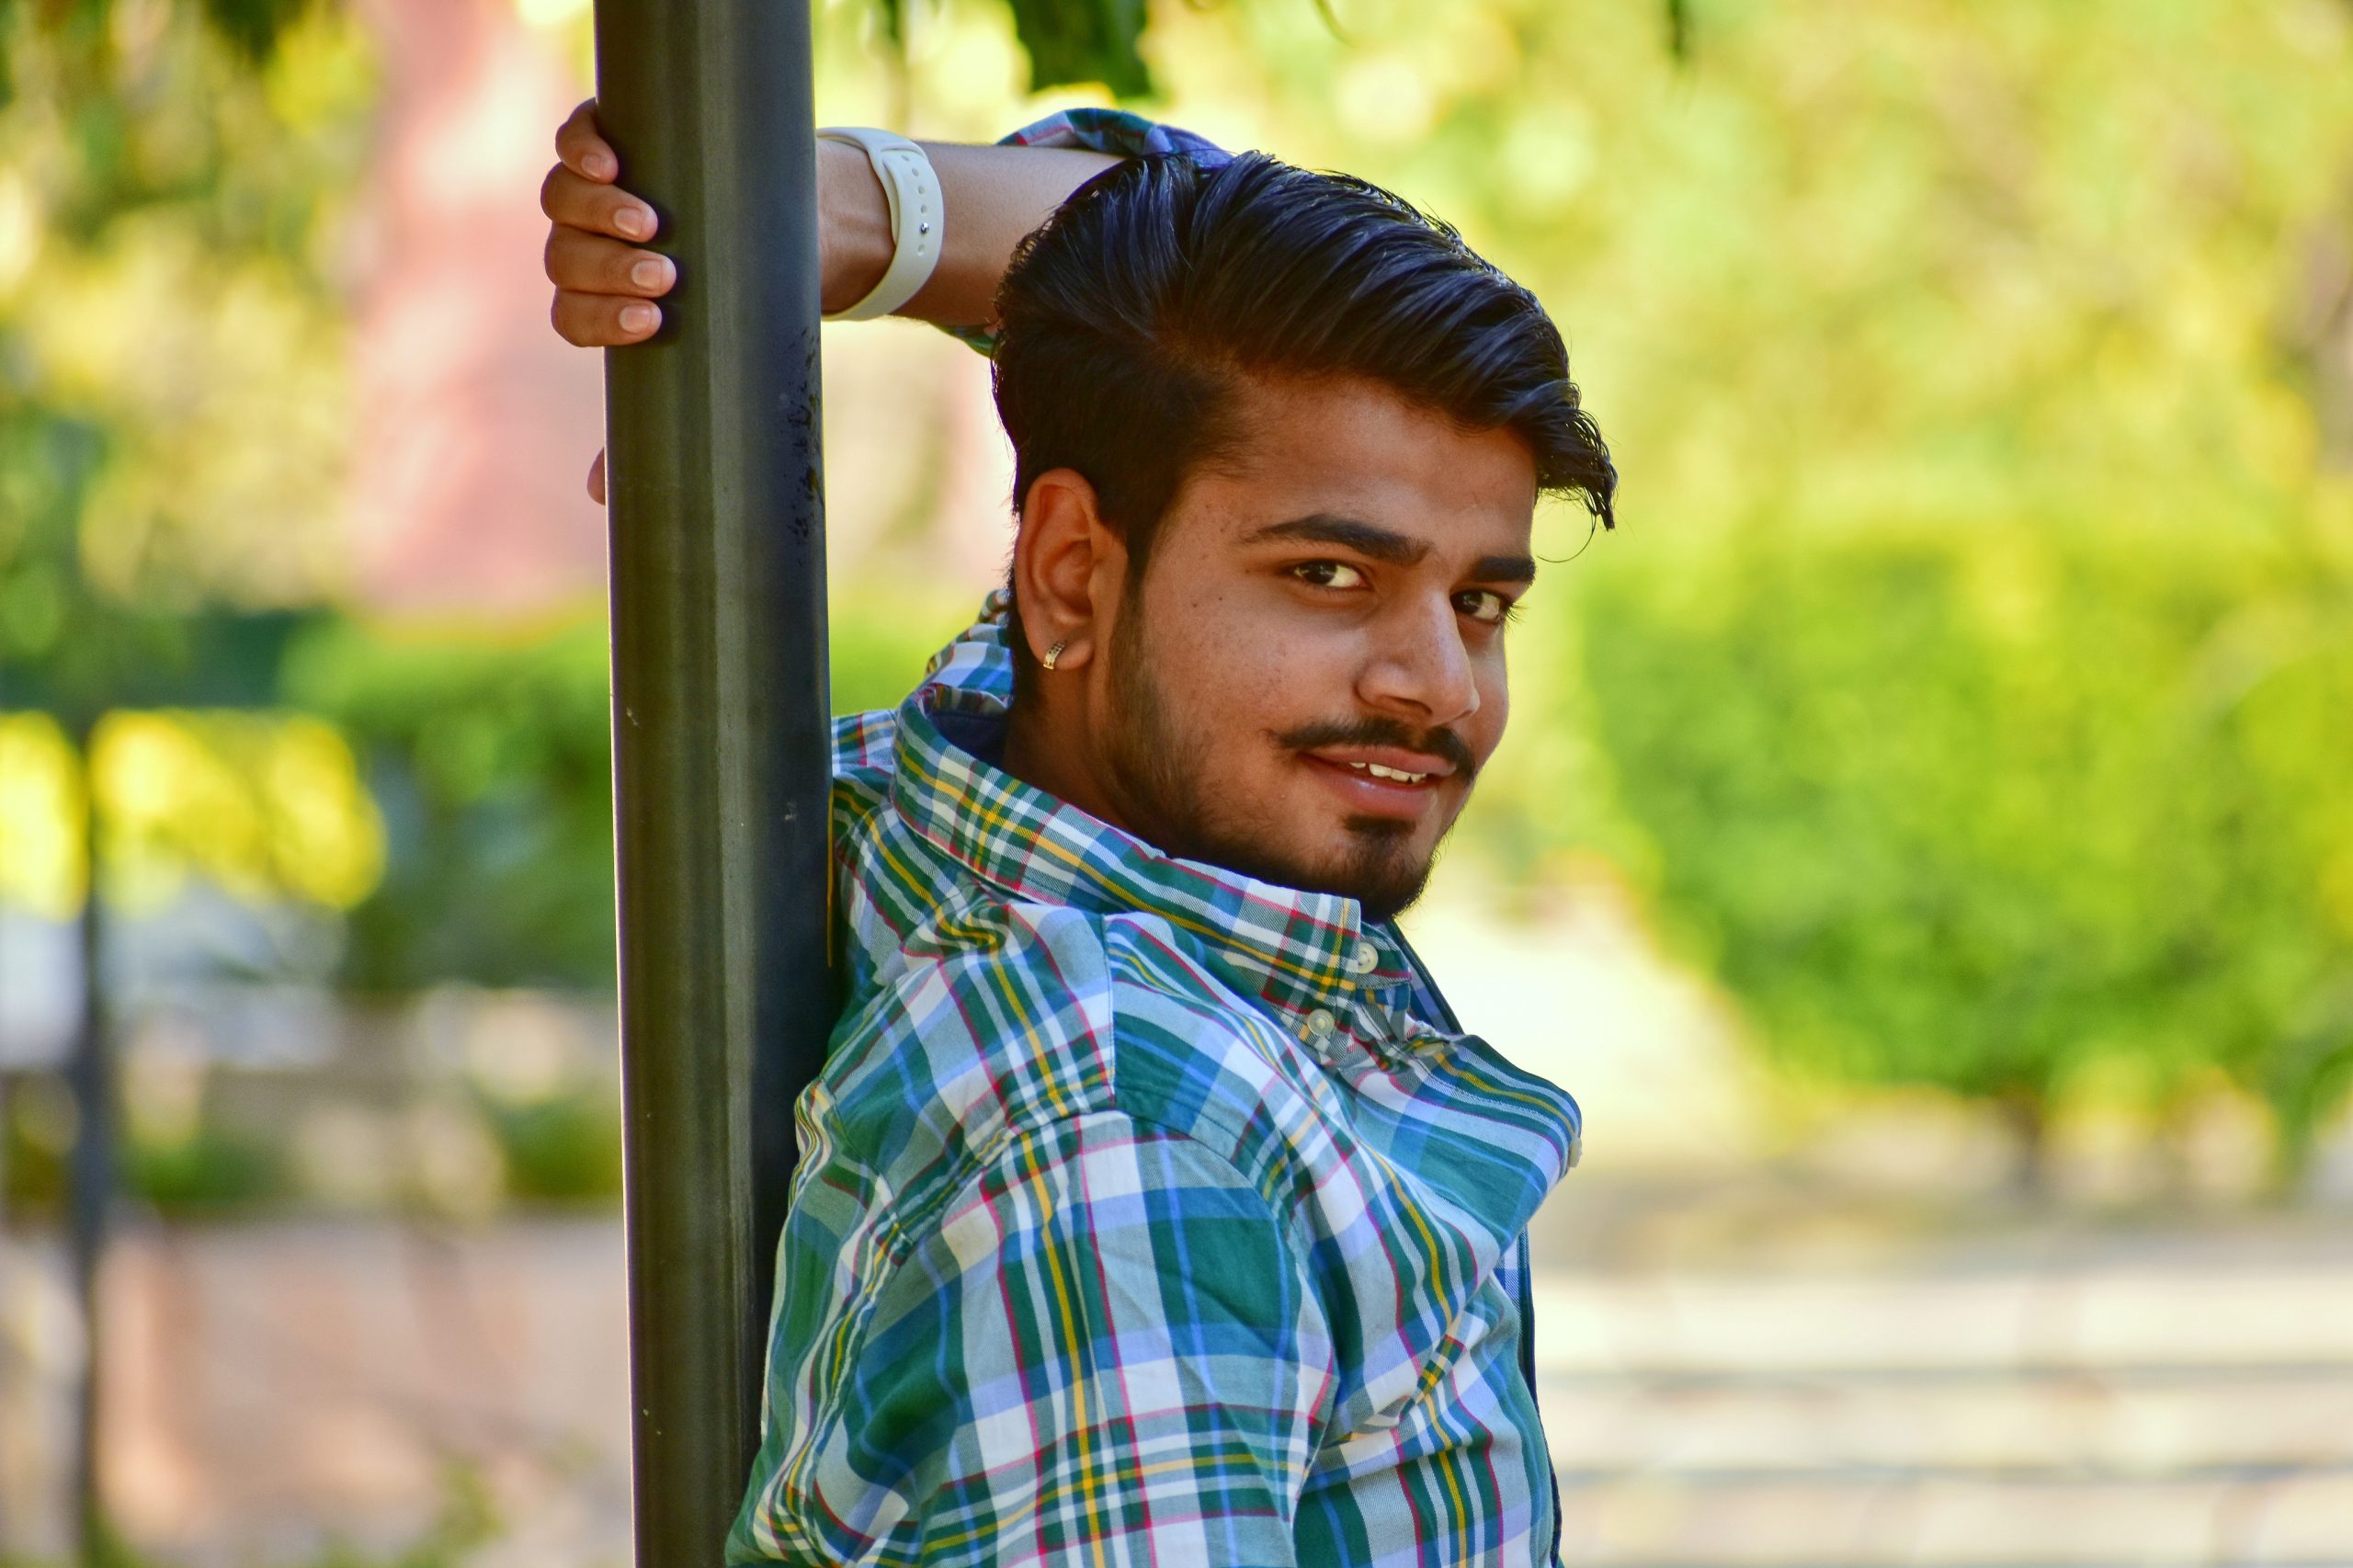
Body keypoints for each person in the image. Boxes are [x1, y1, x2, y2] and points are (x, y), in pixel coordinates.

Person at [540, 101, 1616, 1567]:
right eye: (1329, 572)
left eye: (1479, 602)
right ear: (1067, 574)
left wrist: (838, 213)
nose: (1435, 683)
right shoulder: (1131, 1141)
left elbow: (1175, 256)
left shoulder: (999, 791)